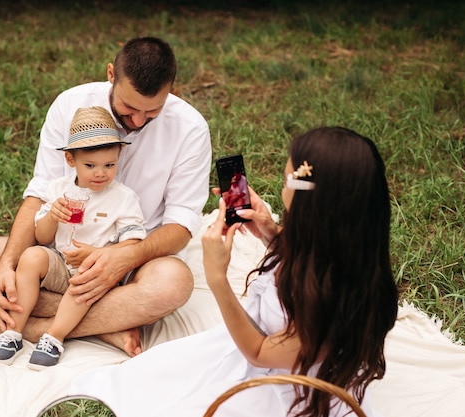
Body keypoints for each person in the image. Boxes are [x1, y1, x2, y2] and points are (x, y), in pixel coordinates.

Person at [69, 126, 399, 417]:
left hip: (286, 389)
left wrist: (217, 278)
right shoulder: (346, 249)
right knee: (145, 377)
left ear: (312, 204)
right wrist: (269, 230)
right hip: (248, 351)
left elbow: (257, 352)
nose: (282, 183)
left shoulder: (331, 303)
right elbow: (308, 258)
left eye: (287, 180)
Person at [0, 37, 212, 357]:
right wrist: (7, 265)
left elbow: (181, 224)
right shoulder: (70, 105)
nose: (138, 120)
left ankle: (31, 327)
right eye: (129, 107)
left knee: (174, 283)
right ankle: (108, 322)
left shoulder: (191, 128)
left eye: (152, 110)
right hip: (62, 252)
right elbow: (41, 192)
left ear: (172, 91)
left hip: (135, 256)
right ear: (111, 74)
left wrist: (124, 258)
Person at [0, 106, 146, 370]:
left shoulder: (122, 197)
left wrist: (97, 254)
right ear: (71, 160)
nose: (101, 173)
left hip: (96, 271)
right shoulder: (59, 189)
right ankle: (13, 332)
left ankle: (54, 337)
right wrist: (52, 217)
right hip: (61, 262)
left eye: (110, 165)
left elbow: (133, 241)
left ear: (119, 157)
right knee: (32, 255)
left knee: (84, 276)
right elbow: (41, 236)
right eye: (90, 165)